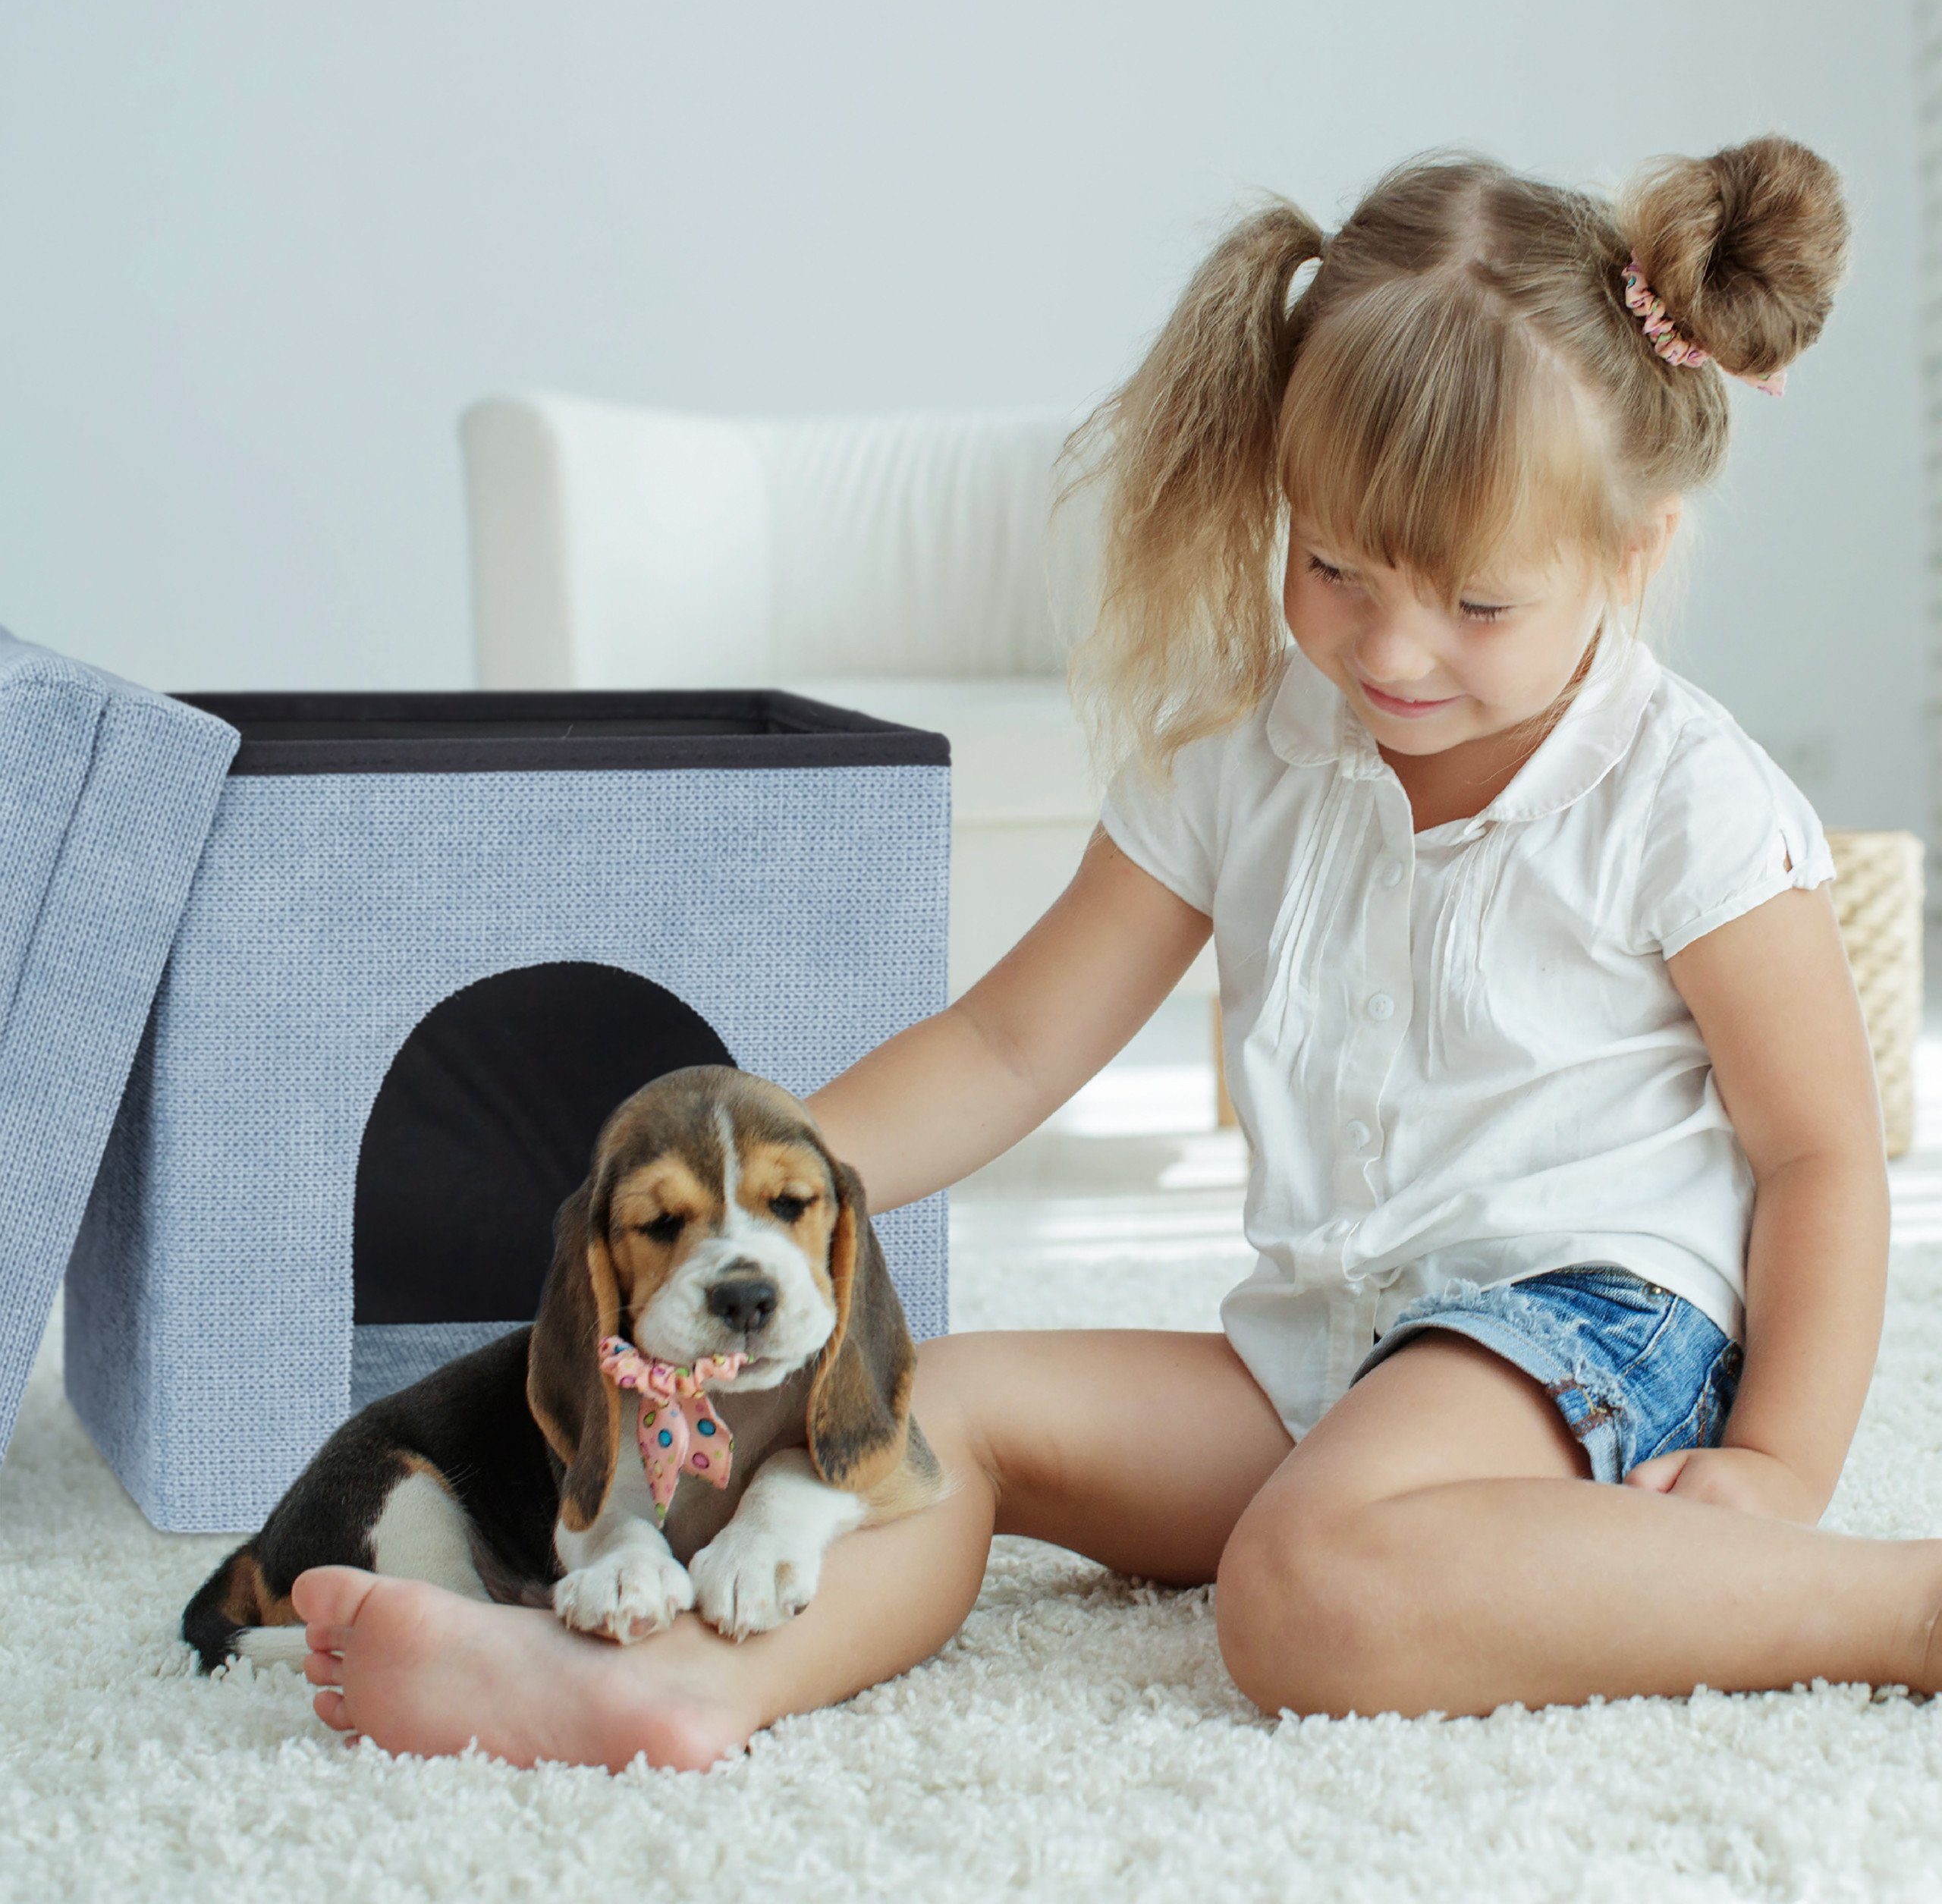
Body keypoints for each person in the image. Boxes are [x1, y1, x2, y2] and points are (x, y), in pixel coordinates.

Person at [293, 134, 1932, 1773]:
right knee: (915, 1407)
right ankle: (682, 1693)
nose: (1388, 645)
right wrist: (758, 1204)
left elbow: (1816, 1157)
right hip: (1332, 1339)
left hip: (1586, 1335)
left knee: (1298, 1595)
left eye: (1477, 603)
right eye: (1333, 564)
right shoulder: (1252, 744)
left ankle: (1896, 1605)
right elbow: (1012, 1044)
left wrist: (1777, 1468)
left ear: (1630, 552)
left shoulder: (1683, 798)